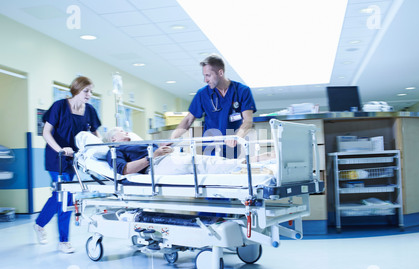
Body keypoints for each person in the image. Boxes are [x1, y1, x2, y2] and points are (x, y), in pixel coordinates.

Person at [34, 76, 102, 253]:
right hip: (55, 157)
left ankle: (39, 224)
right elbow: (46, 132)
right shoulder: (60, 106)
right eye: (86, 91)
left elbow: (95, 135)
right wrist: (60, 149)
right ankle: (64, 241)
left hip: (74, 159)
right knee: (66, 197)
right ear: (76, 89)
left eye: (91, 91)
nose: (89, 94)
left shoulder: (90, 111)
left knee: (60, 196)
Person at [170, 54, 257, 158]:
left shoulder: (242, 91)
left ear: (220, 72)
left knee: (231, 171)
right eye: (204, 75)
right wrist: (171, 139)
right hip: (210, 147)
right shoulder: (203, 94)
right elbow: (188, 119)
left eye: (208, 75)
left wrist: (237, 137)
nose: (205, 80)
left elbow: (248, 121)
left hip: (231, 146)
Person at [105, 127, 274, 176]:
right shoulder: (113, 150)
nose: (126, 131)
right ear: (113, 138)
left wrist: (165, 145)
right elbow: (124, 170)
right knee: (205, 165)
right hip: (156, 165)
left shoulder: (138, 143)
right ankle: (254, 162)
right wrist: (153, 156)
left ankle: (255, 162)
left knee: (207, 162)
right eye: (121, 130)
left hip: (168, 157)